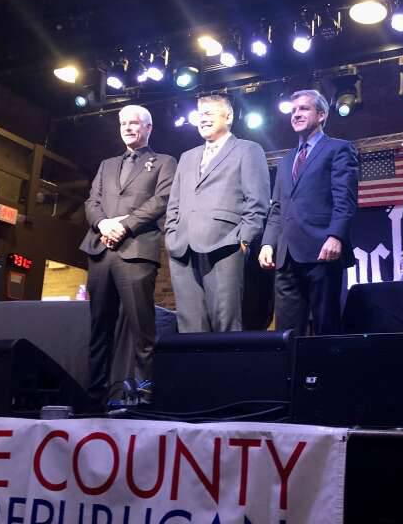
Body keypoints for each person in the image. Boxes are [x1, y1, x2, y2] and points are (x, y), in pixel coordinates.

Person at [80, 104, 176, 404]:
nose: (128, 127)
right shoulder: (106, 164)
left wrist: (125, 226)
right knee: (99, 329)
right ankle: (94, 395)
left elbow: (162, 200)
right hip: (100, 251)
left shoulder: (164, 162)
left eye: (135, 123)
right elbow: (91, 201)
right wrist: (103, 223)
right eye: (123, 123)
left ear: (148, 127)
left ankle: (144, 393)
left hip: (135, 251)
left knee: (142, 330)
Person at [165, 94, 270, 333]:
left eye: (209, 113)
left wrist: (243, 239)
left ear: (229, 116)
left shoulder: (248, 149)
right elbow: (174, 203)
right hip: (182, 248)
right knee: (190, 327)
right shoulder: (187, 157)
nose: (203, 119)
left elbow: (258, 200)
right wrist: (171, 234)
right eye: (200, 115)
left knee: (226, 324)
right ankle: (195, 371)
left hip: (226, 245)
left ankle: (227, 371)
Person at [259, 89, 359, 335]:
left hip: (322, 252)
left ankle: (328, 375)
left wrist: (336, 236)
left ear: (322, 115)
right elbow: (277, 207)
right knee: (286, 333)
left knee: (326, 328)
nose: (296, 114)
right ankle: (292, 375)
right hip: (286, 257)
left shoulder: (338, 149)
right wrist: (267, 243)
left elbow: (344, 199)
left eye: (304, 109)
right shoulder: (285, 160)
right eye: (293, 110)